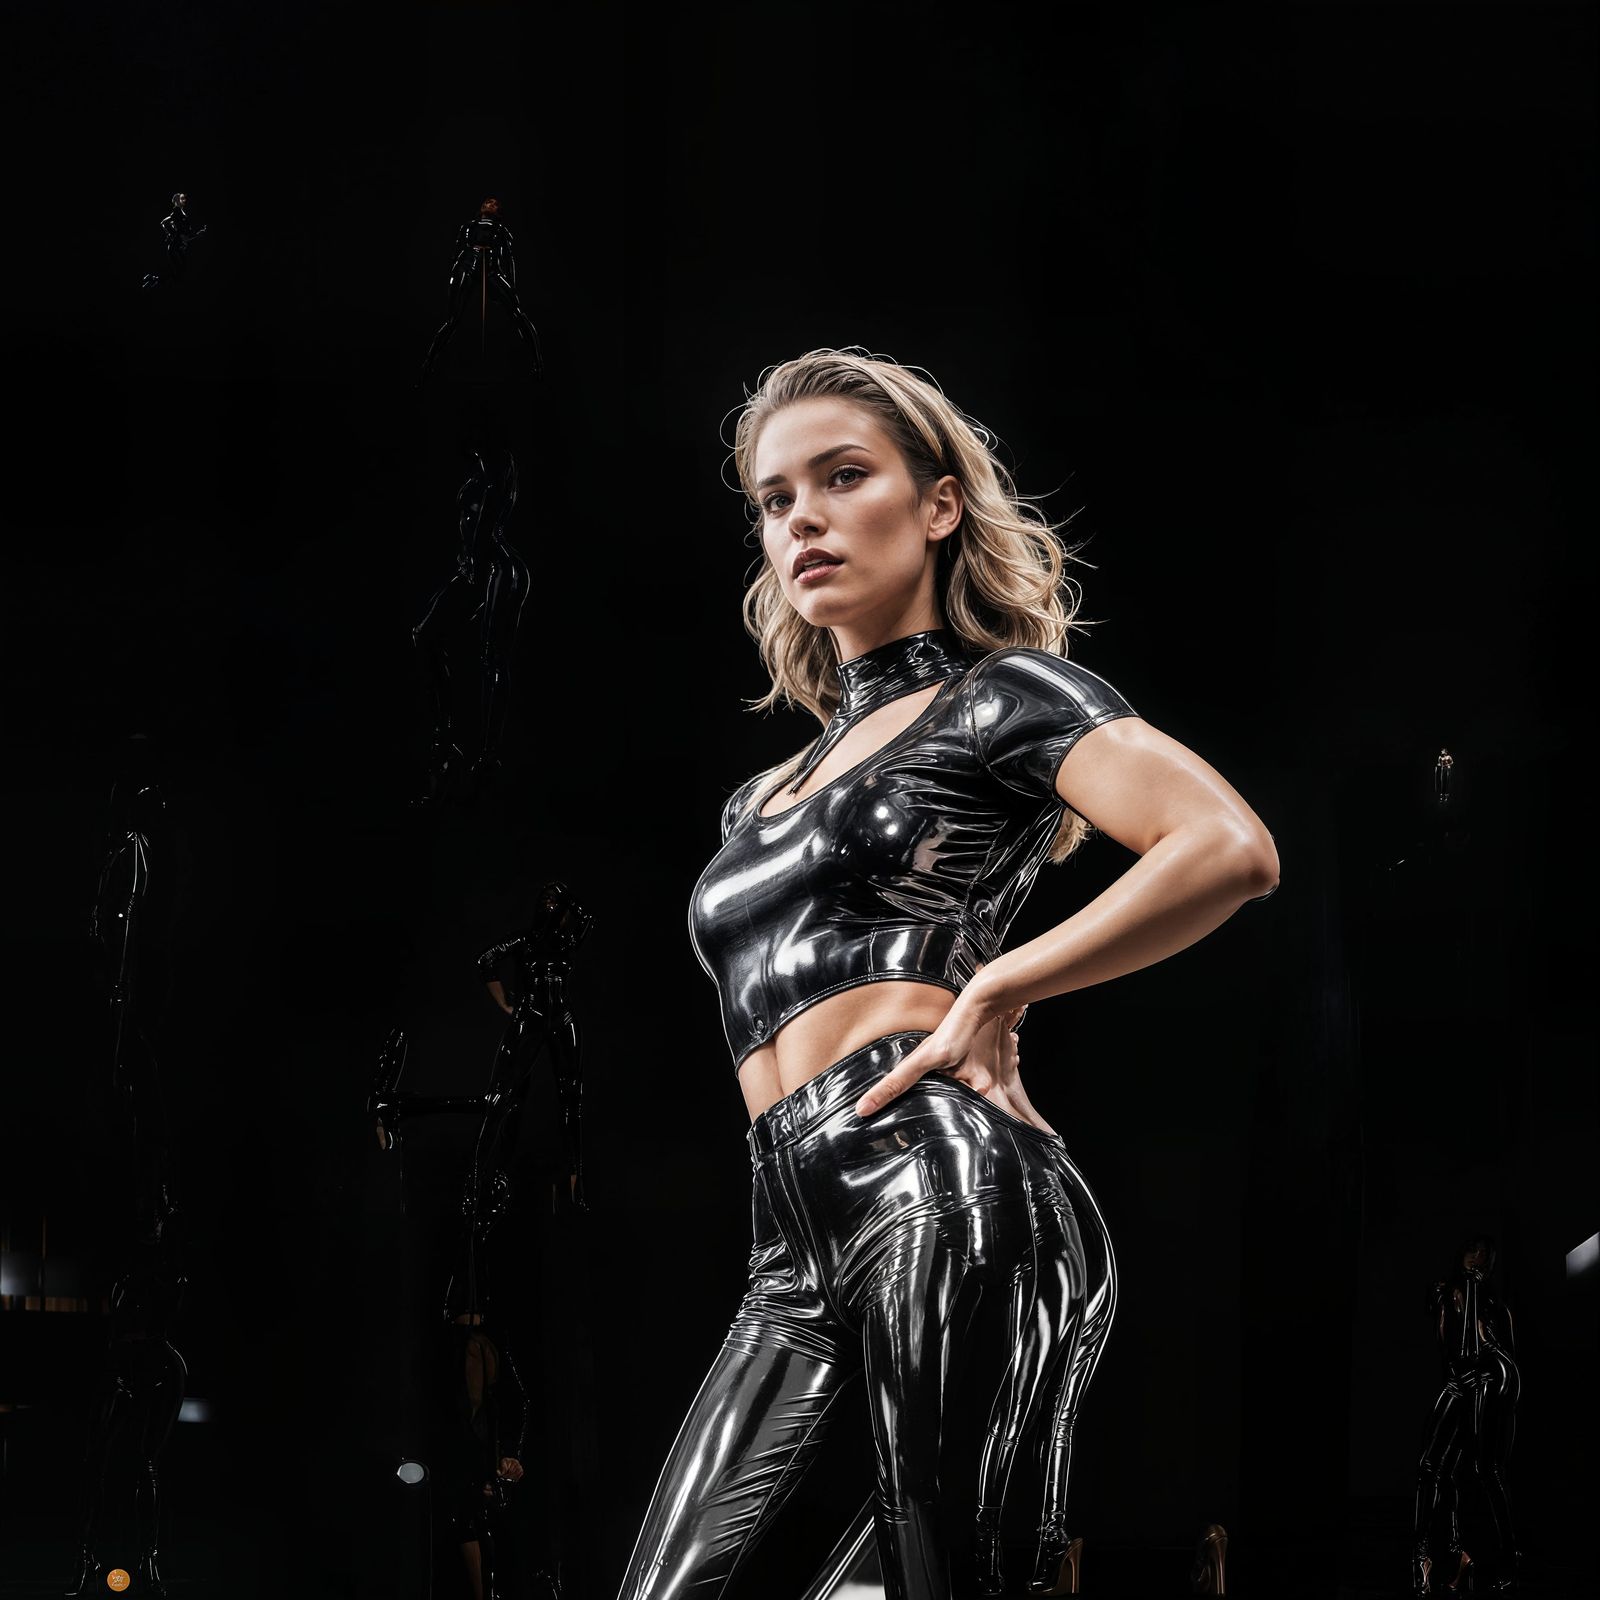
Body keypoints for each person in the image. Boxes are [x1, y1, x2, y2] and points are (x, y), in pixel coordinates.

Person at [620, 349, 1278, 1600]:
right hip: (789, 1231)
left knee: (944, 1577)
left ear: (936, 507)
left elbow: (1227, 847)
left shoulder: (1000, 697)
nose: (801, 516)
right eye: (772, 499)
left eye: (842, 475)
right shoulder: (756, 799)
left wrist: (999, 983)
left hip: (940, 1180)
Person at [1411, 1235, 1520, 1596]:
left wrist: (1472, 1291)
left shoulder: (1490, 1302)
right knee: (1434, 1467)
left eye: (1483, 1256)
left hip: (1488, 1376)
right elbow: (1452, 1348)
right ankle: (1433, 1556)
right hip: (1459, 1379)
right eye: (1471, 1252)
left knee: (1483, 1469)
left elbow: (1480, 1350)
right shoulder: (1445, 1292)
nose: (1475, 1260)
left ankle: (1506, 1557)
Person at [418, 197, 542, 381]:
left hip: (492, 271)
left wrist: (512, 285)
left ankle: (538, 364)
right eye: (487, 202)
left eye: (494, 203)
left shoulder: (500, 230)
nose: (489, 203)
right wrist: (455, 273)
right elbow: (456, 252)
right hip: (465, 268)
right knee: (453, 319)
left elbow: (509, 259)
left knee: (517, 313)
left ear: (498, 210)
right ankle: (427, 366)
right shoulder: (467, 226)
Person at [140, 193, 206, 290]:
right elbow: (165, 223)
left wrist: (196, 234)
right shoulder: (177, 212)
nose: (184, 200)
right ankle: (152, 281)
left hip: (178, 247)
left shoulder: (181, 213)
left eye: (184, 199)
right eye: (181, 199)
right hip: (176, 248)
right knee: (179, 273)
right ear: (176, 201)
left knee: (179, 273)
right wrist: (174, 234)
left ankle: (152, 281)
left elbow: (183, 235)